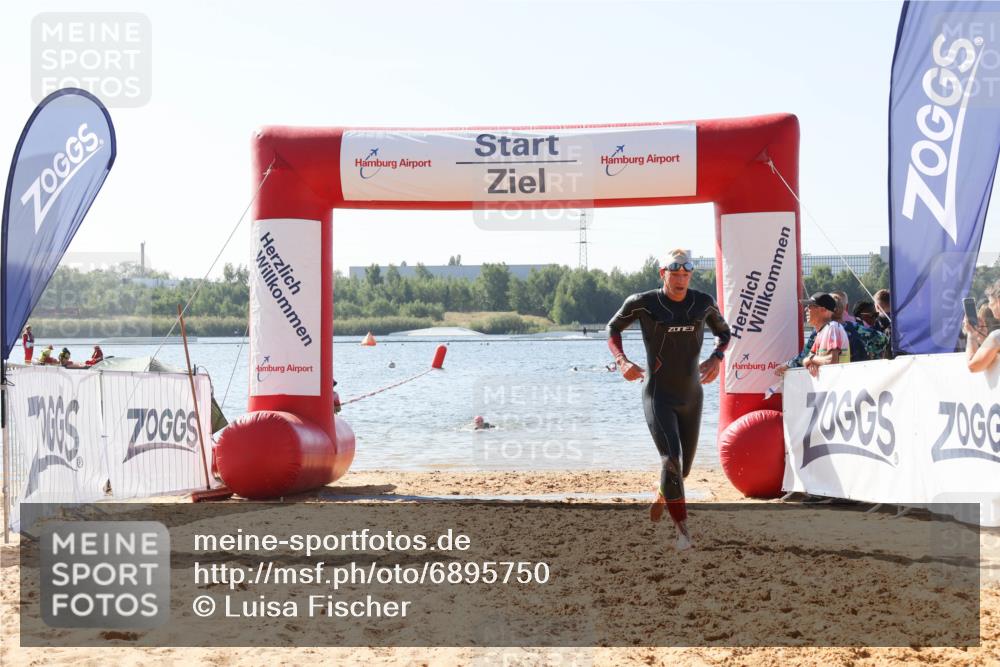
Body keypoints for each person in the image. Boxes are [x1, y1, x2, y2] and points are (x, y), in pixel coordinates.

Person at [607, 249, 731, 550]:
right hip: (658, 395)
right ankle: (683, 533)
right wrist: (623, 361)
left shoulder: (702, 302)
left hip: (692, 395)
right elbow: (612, 328)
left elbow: (724, 332)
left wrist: (716, 358)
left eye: (686, 274)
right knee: (671, 460)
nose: (680, 280)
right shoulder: (643, 303)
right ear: (663, 273)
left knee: (683, 470)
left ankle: (664, 492)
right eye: (674, 274)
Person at [799, 293, 850, 376]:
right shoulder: (822, 331)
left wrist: (812, 359)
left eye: (810, 306)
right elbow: (806, 360)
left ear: (823, 309)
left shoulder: (832, 328)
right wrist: (812, 361)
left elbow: (832, 361)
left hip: (838, 384)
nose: (806, 309)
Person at [965, 281, 1000, 372]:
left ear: (999, 302)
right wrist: (983, 339)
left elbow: (973, 366)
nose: (989, 305)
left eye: (990, 301)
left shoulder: (997, 336)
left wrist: (971, 336)